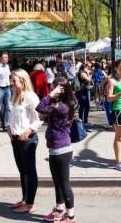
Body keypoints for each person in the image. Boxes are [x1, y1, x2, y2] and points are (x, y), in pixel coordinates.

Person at [36, 77, 76, 223]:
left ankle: (70, 216)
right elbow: (43, 112)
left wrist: (50, 95)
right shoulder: (59, 105)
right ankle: (59, 209)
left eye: (53, 87)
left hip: (62, 150)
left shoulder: (62, 106)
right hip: (55, 149)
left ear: (60, 90)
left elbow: (39, 108)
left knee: (64, 183)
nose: (51, 90)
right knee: (57, 182)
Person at [8, 69, 42, 214]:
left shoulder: (31, 97)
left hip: (27, 139)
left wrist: (28, 131)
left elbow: (39, 118)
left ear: (22, 81)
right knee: (22, 172)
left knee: (29, 172)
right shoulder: (15, 95)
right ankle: (25, 198)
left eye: (14, 81)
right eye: (11, 81)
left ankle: (30, 204)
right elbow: (12, 115)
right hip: (15, 139)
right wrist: (9, 129)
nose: (12, 84)